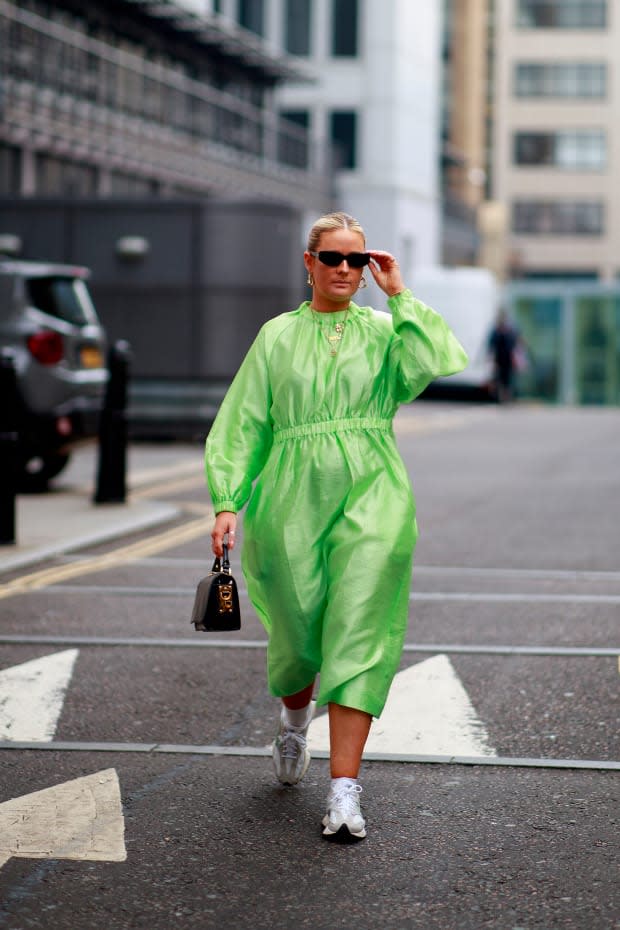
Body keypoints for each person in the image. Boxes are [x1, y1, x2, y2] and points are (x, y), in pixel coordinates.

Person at [205, 211, 468, 842]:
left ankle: (345, 790)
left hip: (374, 488)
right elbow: (245, 423)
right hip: (291, 496)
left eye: (358, 260)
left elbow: (439, 356)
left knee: (360, 629)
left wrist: (399, 292)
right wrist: (226, 502)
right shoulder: (275, 336)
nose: (346, 270)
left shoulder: (385, 330)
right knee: (297, 637)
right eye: (334, 259)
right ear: (309, 263)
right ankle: (294, 726)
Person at [488, 309, 521, 403]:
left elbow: (514, 343)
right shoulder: (496, 330)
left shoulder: (510, 329)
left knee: (507, 378)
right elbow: (492, 344)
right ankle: (501, 397)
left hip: (507, 358)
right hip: (499, 358)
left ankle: (506, 397)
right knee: (500, 378)